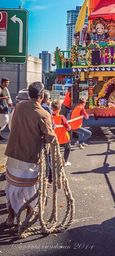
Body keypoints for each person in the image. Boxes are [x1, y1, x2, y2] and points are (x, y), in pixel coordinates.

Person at [4, 82, 56, 227]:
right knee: (30, 191)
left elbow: (11, 126)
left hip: (13, 156)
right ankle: (26, 219)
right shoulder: (43, 114)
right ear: (41, 96)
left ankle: (10, 217)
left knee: (12, 189)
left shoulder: (19, 107)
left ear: (29, 95)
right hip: (29, 159)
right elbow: (50, 137)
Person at [51, 100, 72, 166]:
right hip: (63, 138)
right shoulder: (61, 117)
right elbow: (68, 128)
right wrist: (68, 126)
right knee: (68, 148)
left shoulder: (49, 117)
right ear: (59, 109)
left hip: (54, 138)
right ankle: (65, 161)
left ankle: (53, 162)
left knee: (54, 150)